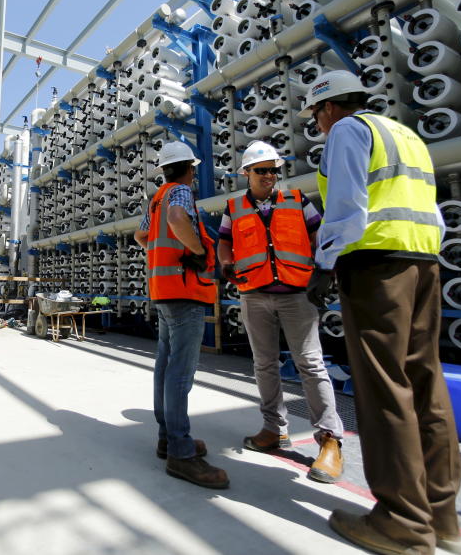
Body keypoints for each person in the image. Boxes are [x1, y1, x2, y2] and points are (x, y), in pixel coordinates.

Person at [301, 70, 461, 555]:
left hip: (375, 268)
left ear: (328, 108)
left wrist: (324, 264)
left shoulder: (349, 131)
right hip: (424, 264)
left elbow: (348, 208)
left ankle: (401, 523)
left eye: (317, 117)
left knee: (384, 389)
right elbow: (433, 213)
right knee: (425, 385)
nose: (320, 125)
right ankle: (442, 519)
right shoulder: (406, 135)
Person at [217, 140, 344, 484]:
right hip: (254, 294)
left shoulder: (297, 200)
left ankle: (330, 440)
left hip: (296, 295)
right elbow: (225, 240)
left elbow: (320, 233)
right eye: (262, 171)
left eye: (274, 169)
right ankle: (274, 429)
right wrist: (226, 262)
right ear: (246, 173)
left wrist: (326, 270)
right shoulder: (234, 207)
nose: (270, 176)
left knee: (310, 364)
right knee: (264, 364)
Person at [134, 140, 228, 490]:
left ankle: (167, 438)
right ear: (191, 168)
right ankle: (181, 452)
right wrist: (198, 248)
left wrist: (166, 255)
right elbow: (177, 219)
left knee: (165, 366)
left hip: (162, 291)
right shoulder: (180, 194)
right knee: (180, 373)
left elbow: (141, 235)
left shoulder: (156, 197)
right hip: (185, 291)